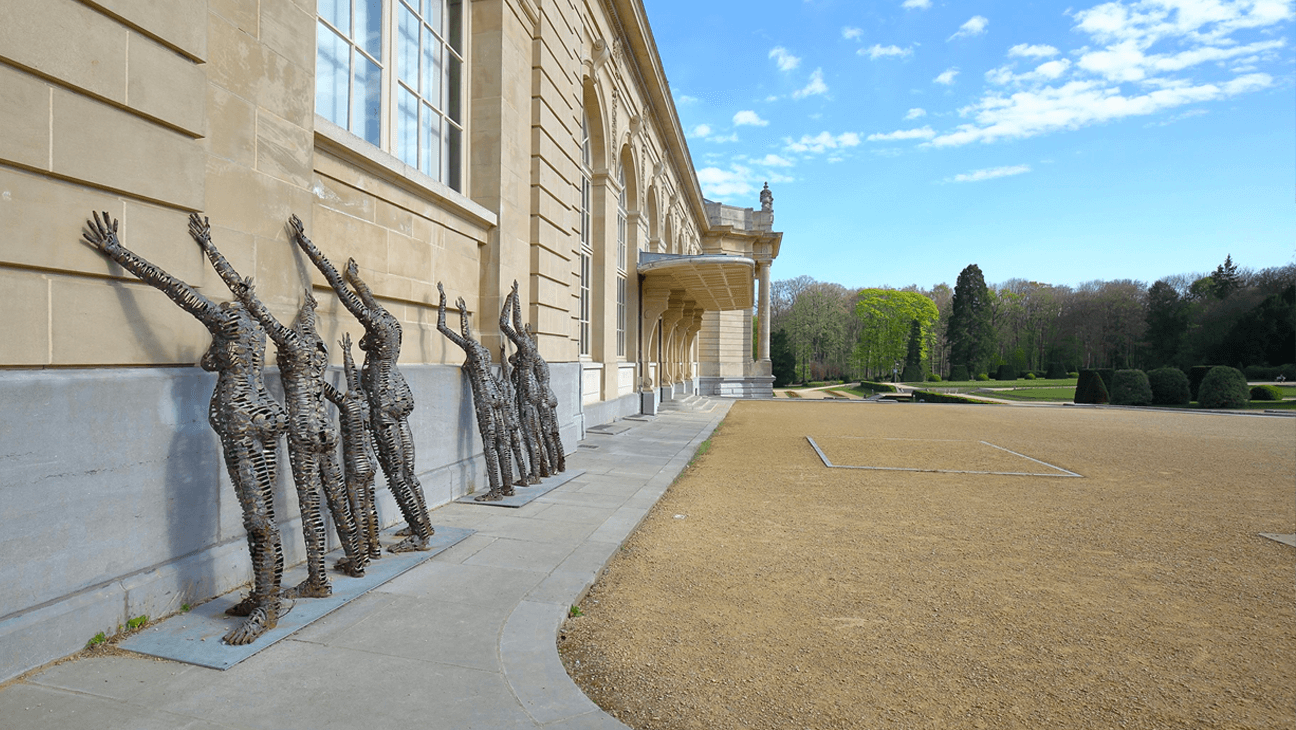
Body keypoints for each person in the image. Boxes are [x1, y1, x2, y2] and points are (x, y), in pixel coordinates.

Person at [83, 211, 285, 645]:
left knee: (256, 515)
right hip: (263, 414)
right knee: (264, 509)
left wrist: (120, 253)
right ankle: (267, 594)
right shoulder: (251, 323)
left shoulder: (225, 320)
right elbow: (234, 285)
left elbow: (172, 286)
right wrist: (209, 245)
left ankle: (267, 605)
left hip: (241, 419)